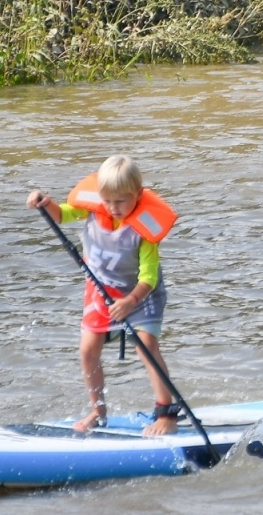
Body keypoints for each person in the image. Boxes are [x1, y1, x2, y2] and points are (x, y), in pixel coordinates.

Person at [26, 156, 181, 435]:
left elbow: (149, 276)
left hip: (140, 296)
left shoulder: (142, 231)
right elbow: (61, 214)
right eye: (107, 200)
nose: (112, 207)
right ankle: (98, 411)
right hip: (101, 293)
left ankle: (166, 414)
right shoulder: (95, 210)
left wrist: (131, 301)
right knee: (87, 350)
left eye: (120, 202)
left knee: (145, 345)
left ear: (138, 194)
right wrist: (44, 202)